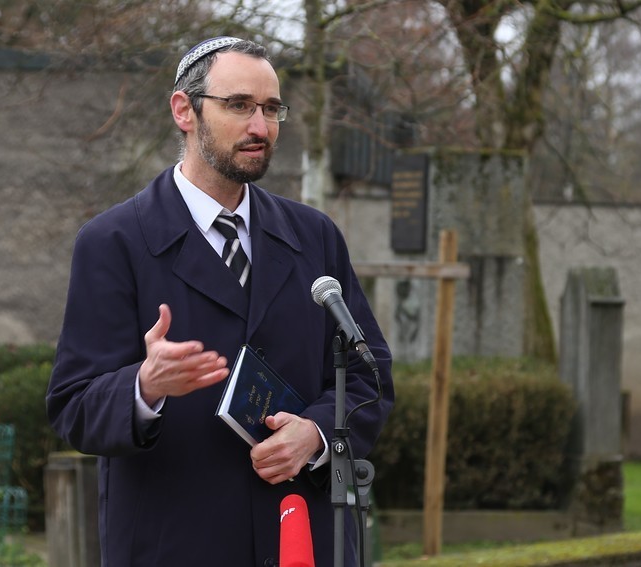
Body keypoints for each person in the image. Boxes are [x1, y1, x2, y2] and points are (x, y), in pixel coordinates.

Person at [46, 36, 394, 566]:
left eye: (271, 109)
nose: (261, 127)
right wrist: (144, 386)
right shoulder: (113, 241)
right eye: (239, 106)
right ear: (184, 110)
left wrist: (318, 433)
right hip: (174, 543)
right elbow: (73, 407)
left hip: (300, 536)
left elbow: (368, 375)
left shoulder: (315, 235)